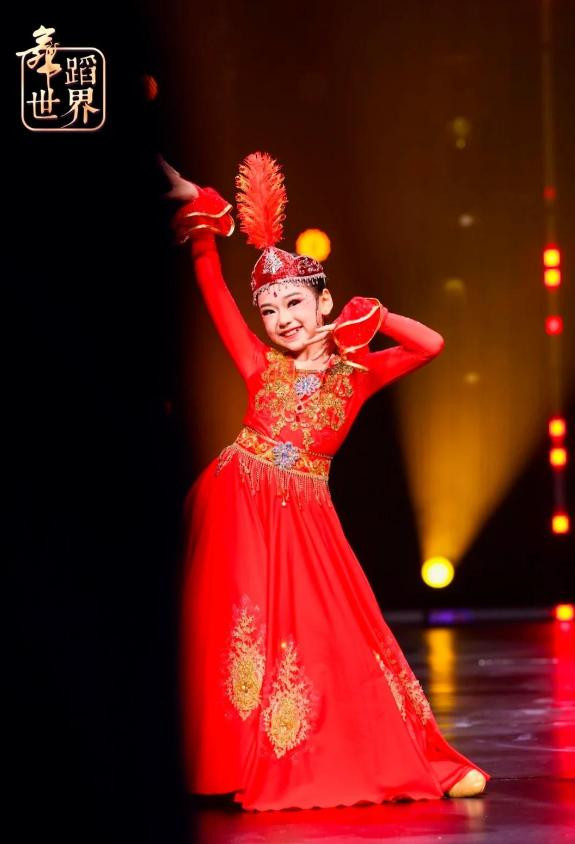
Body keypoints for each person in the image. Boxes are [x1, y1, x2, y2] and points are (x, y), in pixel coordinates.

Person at [168, 152, 489, 811]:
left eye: (294, 302)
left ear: (323, 302)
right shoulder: (258, 364)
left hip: (307, 509)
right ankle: (230, 763)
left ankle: (401, 754)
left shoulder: (357, 372)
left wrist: (378, 317)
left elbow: (429, 345)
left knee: (332, 631)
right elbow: (212, 289)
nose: (283, 318)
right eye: (269, 310)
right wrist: (201, 223)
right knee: (242, 632)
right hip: (239, 498)